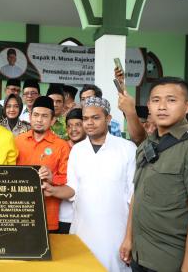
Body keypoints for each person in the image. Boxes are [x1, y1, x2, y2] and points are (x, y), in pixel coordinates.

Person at [120, 77, 188, 272]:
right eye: (156, 100)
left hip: (169, 262)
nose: (162, 106)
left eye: (171, 100)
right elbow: (138, 192)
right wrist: (128, 238)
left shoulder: (187, 148)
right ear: (149, 106)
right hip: (140, 256)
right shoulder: (148, 144)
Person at [65, 97, 136, 272]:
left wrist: (129, 238)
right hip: (82, 232)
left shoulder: (127, 148)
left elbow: (134, 197)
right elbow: (72, 189)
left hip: (115, 235)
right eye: (86, 118)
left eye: (95, 118)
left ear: (108, 119)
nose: (89, 123)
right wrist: (49, 187)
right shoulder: (77, 150)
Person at [15, 96, 70, 232]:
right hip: (18, 212)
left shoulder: (61, 146)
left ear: (52, 120)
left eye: (45, 116)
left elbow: (69, 180)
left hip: (48, 215)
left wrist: (52, 178)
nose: (39, 120)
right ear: (30, 117)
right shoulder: (17, 141)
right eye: (36, 115)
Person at [57, 108, 86, 234]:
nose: (73, 129)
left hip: (86, 214)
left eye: (78, 125)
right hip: (63, 213)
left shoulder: (92, 149)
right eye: (69, 126)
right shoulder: (60, 147)